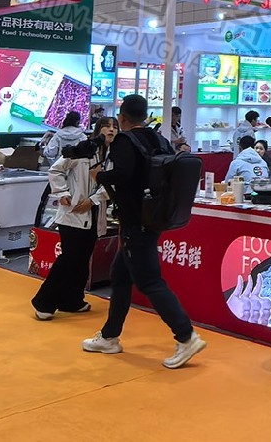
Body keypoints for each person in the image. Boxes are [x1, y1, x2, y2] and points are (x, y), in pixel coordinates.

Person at [82, 95, 206, 368]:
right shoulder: (158, 139)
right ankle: (109, 336)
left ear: (122, 118)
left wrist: (99, 175)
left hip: (135, 222)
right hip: (153, 217)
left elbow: (124, 175)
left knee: (150, 282)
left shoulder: (125, 141)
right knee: (120, 276)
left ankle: (186, 336)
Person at [32, 133, 108, 320]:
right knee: (69, 259)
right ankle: (43, 301)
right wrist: (62, 193)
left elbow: (112, 183)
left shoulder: (113, 155)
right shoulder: (81, 151)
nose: (111, 130)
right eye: (107, 126)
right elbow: (55, 170)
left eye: (114, 127)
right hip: (72, 213)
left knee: (82, 260)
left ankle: (72, 300)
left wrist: (93, 200)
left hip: (95, 214)